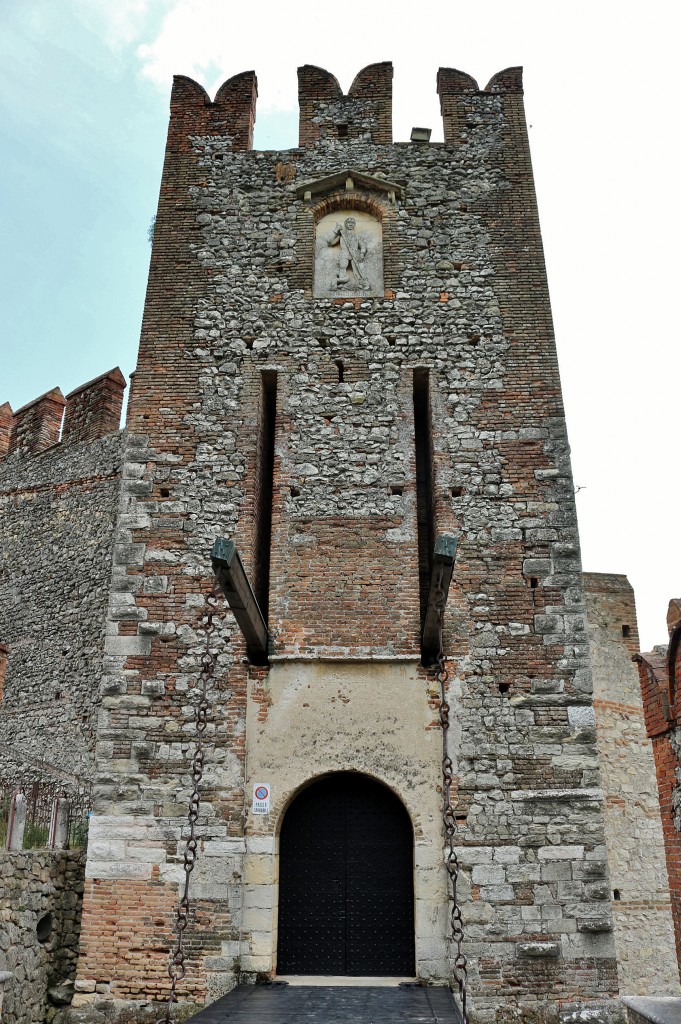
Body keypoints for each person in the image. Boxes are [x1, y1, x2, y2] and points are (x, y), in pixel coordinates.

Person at [327, 216, 368, 288]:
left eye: (352, 223)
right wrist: (336, 230)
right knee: (343, 266)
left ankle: (360, 283)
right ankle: (341, 282)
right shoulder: (342, 235)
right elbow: (330, 242)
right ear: (345, 224)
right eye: (349, 222)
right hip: (344, 253)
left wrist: (362, 254)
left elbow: (363, 246)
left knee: (357, 269)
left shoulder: (356, 236)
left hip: (354, 254)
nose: (351, 224)